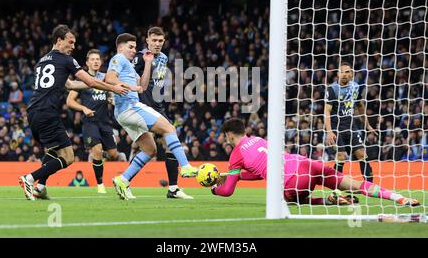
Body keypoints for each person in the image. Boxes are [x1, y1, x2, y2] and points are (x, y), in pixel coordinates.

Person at [18, 24, 130, 201]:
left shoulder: (42, 60)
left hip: (33, 112)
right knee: (69, 157)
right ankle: (29, 179)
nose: (73, 46)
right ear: (59, 40)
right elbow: (91, 82)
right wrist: (112, 88)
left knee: (54, 150)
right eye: (70, 42)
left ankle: (40, 186)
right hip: (47, 112)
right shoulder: (66, 60)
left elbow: (70, 85)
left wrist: (97, 85)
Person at [212, 118, 419, 207]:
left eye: (225, 137)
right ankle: (398, 198)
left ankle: (328, 201)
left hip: (293, 179)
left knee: (288, 202)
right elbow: (260, 171)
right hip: (307, 163)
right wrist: (235, 175)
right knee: (355, 184)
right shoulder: (258, 139)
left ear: (229, 135)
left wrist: (215, 188)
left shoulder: (236, 154)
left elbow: (228, 190)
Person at [105, 33, 198, 200]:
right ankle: (185, 166)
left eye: (134, 47)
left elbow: (142, 86)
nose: (134, 50)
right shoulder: (119, 58)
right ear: (120, 47)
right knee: (169, 129)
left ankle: (123, 180)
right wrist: (122, 88)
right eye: (130, 47)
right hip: (133, 107)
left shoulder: (137, 63)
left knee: (150, 149)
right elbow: (110, 77)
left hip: (127, 111)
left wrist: (148, 64)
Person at [133, 26, 192, 199]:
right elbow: (130, 78)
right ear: (148, 40)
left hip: (158, 107)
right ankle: (124, 180)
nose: (157, 44)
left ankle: (173, 188)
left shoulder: (164, 58)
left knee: (169, 145)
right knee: (150, 148)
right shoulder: (139, 58)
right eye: (154, 40)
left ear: (164, 41)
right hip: (143, 107)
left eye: (160, 41)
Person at [66, 49, 122, 194]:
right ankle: (100, 184)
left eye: (98, 59)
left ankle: (99, 158)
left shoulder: (105, 78)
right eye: (93, 59)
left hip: (105, 122)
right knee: (97, 150)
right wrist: (83, 108)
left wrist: (110, 98)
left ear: (101, 62)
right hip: (90, 122)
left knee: (113, 154)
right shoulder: (81, 80)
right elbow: (69, 101)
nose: (96, 61)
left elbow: (110, 93)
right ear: (87, 63)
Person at [324, 61, 376, 182]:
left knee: (362, 155)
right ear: (337, 74)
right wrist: (329, 132)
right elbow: (327, 111)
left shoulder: (355, 87)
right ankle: (336, 187)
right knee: (341, 157)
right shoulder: (332, 89)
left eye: (347, 72)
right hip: (336, 127)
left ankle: (370, 186)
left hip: (351, 126)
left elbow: (360, 106)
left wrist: (367, 124)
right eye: (342, 72)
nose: (344, 74)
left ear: (351, 74)